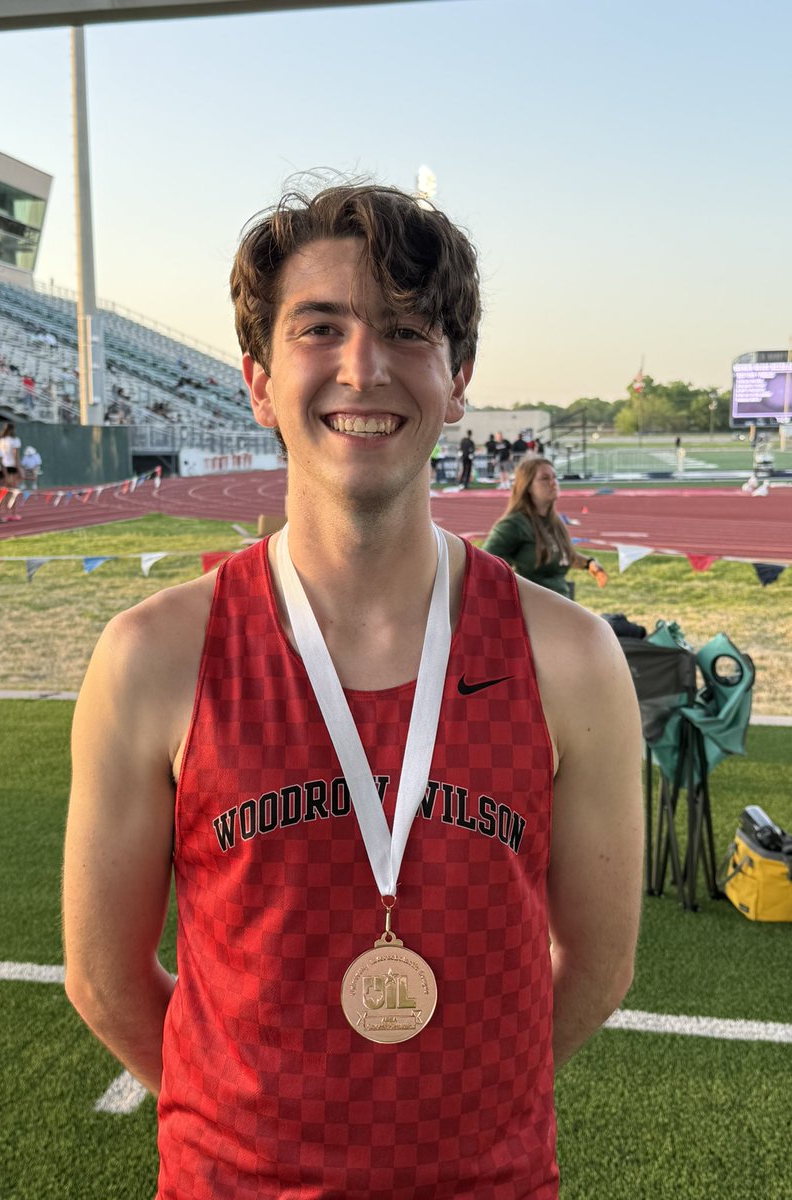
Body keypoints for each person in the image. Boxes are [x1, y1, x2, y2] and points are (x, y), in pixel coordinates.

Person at [63, 182, 642, 1199]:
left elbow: (597, 968)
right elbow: (104, 980)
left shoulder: (573, 659)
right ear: (257, 380)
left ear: (456, 380)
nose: (363, 366)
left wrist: (472, 1111)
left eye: (408, 330)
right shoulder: (151, 658)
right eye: (320, 327)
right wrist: (242, 1127)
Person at [482, 456, 603, 598]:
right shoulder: (513, 525)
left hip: (562, 605)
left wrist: (589, 563)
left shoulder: (554, 521)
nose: (553, 483)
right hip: (534, 610)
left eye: (555, 477)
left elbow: (563, 556)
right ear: (528, 487)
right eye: (545, 478)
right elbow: (484, 565)